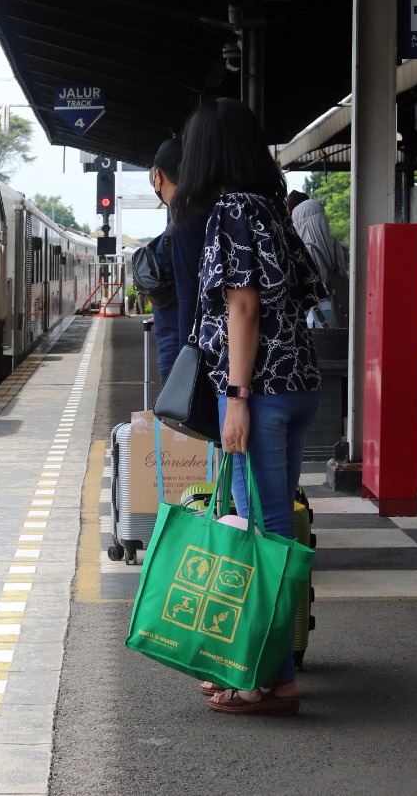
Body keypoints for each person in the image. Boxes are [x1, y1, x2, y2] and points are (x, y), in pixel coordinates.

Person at [170, 97, 326, 716]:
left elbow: (243, 308)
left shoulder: (231, 211)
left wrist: (235, 398)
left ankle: (262, 680)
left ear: (207, 152)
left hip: (259, 393)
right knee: (272, 531)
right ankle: (270, 671)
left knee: (259, 532)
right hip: (298, 386)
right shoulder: (271, 209)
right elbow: (308, 292)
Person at [146, 137, 206, 381]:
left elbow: (189, 299)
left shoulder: (185, 223)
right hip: (187, 347)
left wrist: (185, 375)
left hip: (180, 354)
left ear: (158, 176)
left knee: (177, 418)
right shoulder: (199, 215)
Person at [291, 198, 349, 327]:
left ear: (304, 223)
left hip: (318, 317)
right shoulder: (337, 245)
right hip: (341, 308)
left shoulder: (308, 250)